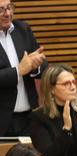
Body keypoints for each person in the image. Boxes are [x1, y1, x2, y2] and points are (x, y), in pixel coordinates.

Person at [0, 0, 47, 137]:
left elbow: (43, 64)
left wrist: (34, 66)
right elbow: (21, 69)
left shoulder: (23, 29)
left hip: (28, 118)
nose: (7, 13)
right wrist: (18, 71)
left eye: (9, 8)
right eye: (1, 9)